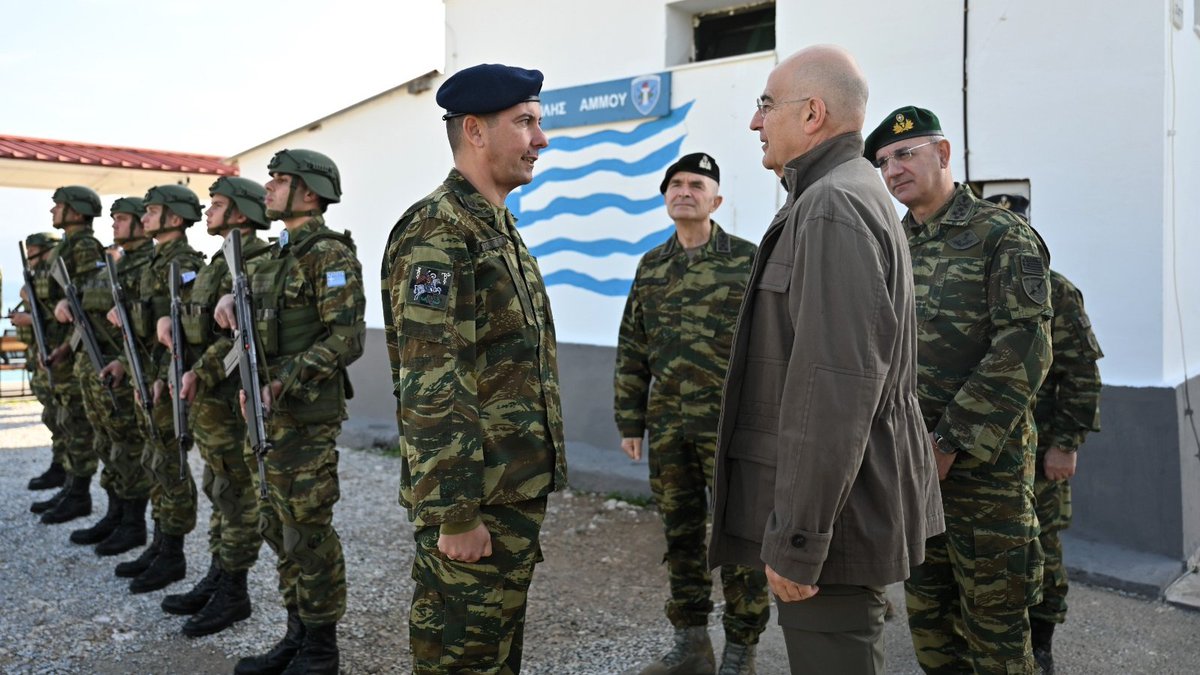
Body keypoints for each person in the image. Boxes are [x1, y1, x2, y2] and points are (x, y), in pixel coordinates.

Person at [708, 46, 942, 675]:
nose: (756, 122)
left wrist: (798, 539)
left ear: (812, 114)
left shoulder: (833, 204)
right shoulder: (832, 194)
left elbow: (834, 389)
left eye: (765, 105)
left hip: (834, 518)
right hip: (844, 502)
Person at [381, 63, 568, 674]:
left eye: (538, 123)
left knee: (493, 654)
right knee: (460, 660)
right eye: (526, 123)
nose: (541, 139)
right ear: (475, 130)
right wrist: (456, 515)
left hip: (509, 492)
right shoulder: (440, 231)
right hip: (476, 502)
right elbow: (434, 382)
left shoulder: (497, 228)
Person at [865, 107, 1053, 674]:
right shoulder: (893, 242)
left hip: (982, 478)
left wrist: (948, 442)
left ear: (943, 155)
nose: (893, 170)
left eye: (905, 154)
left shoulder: (1001, 235)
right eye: (882, 162)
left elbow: (1024, 348)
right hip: (912, 472)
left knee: (996, 639)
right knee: (932, 630)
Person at [614, 153, 766, 675]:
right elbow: (632, 346)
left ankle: (742, 650)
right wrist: (630, 422)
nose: (684, 191)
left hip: (733, 429)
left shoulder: (748, 260)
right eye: (675, 184)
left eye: (696, 184)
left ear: (716, 200)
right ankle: (692, 642)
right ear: (665, 199)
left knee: (741, 535)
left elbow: (773, 344)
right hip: (671, 426)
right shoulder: (652, 266)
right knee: (680, 534)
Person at [214, 149, 364, 675]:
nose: (268, 189)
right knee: (278, 525)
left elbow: (347, 338)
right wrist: (228, 306)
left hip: (305, 416)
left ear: (308, 191)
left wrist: (283, 382)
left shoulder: (329, 255)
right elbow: (255, 328)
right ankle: (296, 635)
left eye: (279, 181)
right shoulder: (270, 258)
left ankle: (322, 650)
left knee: (308, 527)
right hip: (268, 416)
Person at [985, 194, 1104, 675]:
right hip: (991, 453)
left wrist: (1066, 444)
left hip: (1041, 453)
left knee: (1044, 549)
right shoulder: (975, 287)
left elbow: (1081, 374)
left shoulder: (1056, 291)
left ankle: (1042, 641)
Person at [159, 177, 272, 637]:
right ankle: (218, 573)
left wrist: (197, 373)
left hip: (227, 400)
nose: (208, 211)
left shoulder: (254, 260)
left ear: (241, 213)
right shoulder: (214, 263)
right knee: (217, 490)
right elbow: (195, 321)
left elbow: (237, 339)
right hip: (205, 402)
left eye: (218, 204)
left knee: (236, 495)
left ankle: (235, 590)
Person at [103, 184, 206, 594]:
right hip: (145, 377)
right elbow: (143, 333)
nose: (144, 218)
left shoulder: (183, 262)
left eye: (153, 211)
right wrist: (127, 367)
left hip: (164, 381)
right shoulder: (155, 261)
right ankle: (160, 543)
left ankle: (173, 553)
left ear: (175, 219)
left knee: (170, 464)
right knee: (154, 460)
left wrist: (164, 374)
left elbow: (183, 333)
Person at [67, 198, 156, 558]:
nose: (114, 225)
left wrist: (121, 359)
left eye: (122, 219)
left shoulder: (149, 265)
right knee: (107, 443)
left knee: (128, 447)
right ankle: (115, 513)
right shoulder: (114, 266)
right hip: (97, 369)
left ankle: (133, 524)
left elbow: (152, 322)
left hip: (124, 372)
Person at [35, 186, 108, 525]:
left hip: (71, 347)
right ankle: (69, 484)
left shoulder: (83, 246)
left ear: (77, 212)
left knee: (78, 423)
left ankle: (78, 493)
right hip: (57, 345)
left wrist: (66, 345)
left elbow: (85, 304)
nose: (54, 211)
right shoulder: (65, 245)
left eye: (60, 206)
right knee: (64, 417)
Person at [12, 232, 66, 493]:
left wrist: (29, 319)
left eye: (34, 249)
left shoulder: (55, 275)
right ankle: (60, 467)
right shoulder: (37, 278)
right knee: (52, 416)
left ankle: (68, 472)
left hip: (56, 355)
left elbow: (61, 317)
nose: (30, 255)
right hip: (41, 354)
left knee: (62, 418)